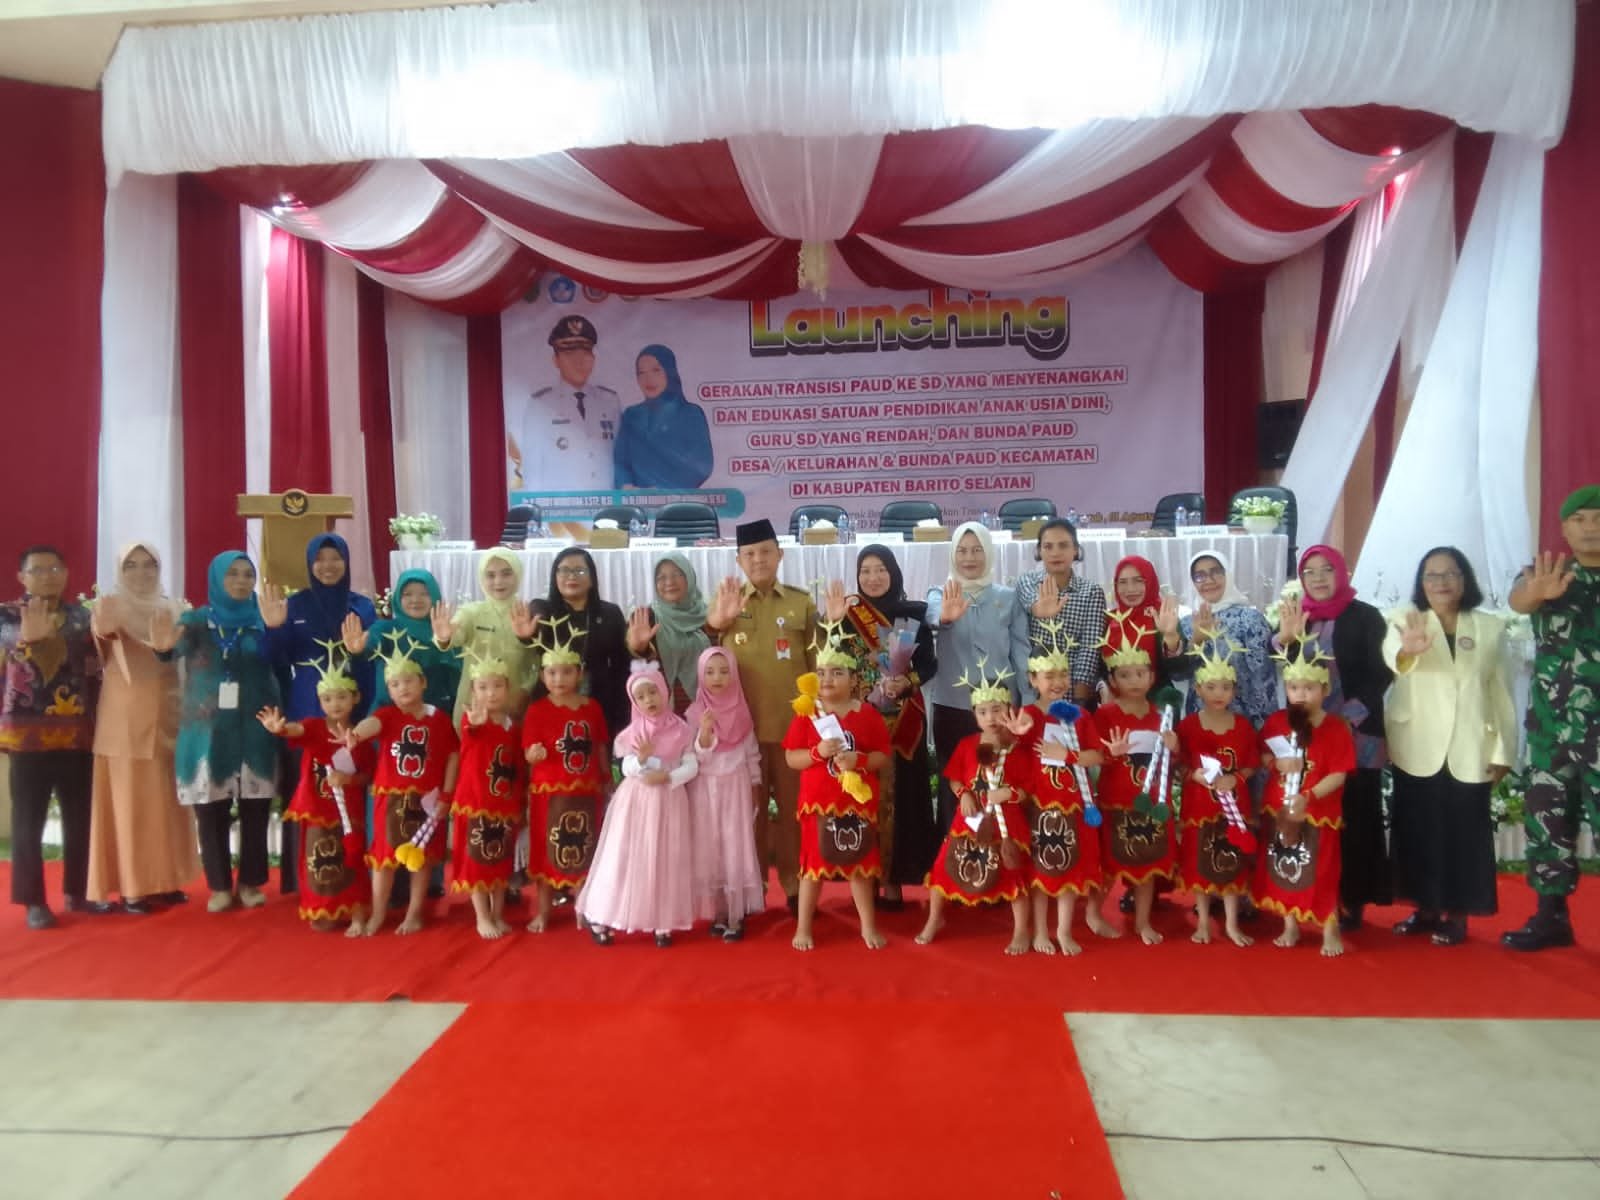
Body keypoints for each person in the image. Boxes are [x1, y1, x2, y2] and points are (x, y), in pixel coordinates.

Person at [706, 517, 840, 914]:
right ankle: (752, 888)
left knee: (796, 813)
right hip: (740, 734)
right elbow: (706, 658)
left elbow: (820, 664)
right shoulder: (728, 602)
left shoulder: (800, 602)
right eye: (749, 554)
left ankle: (796, 887)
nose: (758, 559)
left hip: (791, 732)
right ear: (738, 560)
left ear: (780, 555)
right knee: (749, 815)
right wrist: (716, 623)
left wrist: (833, 624)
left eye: (765, 551)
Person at [1383, 548, 1515, 947]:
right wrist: (1408, 650)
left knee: (1465, 832)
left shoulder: (1489, 627)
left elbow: (1502, 692)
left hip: (1471, 743)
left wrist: (1503, 751)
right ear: (1421, 582)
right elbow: (1394, 660)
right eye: (1432, 575)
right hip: (1416, 743)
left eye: (1450, 574)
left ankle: (1457, 913)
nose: (1441, 582)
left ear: (1464, 579)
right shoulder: (1404, 620)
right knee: (1417, 828)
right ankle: (1424, 909)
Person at [149, 552, 280, 915]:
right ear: (217, 578)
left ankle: (251, 883)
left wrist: (277, 631)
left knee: (256, 808)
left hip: (257, 724)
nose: (241, 581)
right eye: (232, 574)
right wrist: (162, 650)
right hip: (207, 729)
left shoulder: (264, 618)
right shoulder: (196, 621)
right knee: (210, 810)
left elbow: (281, 657)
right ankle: (220, 886)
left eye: (248, 574)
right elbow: (173, 648)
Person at [1275, 544, 1393, 931]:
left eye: (1326, 569)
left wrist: (1347, 718)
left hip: (1357, 732)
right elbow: (1283, 668)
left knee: (1356, 816)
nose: (1319, 577)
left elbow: (1382, 672)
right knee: (1315, 813)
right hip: (1311, 733)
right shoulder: (1299, 616)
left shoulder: (1366, 616)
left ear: (1341, 573)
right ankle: (1309, 892)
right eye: (1310, 571)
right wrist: (1285, 639)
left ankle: (1352, 898)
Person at [1503, 485, 1600, 951]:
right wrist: (1536, 593)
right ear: (1564, 528)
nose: (1590, 527)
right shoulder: (1548, 573)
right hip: (1552, 726)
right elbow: (1518, 600)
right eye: (1579, 519)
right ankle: (1551, 915)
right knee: (1547, 818)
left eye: (1598, 518)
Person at [262, 532, 376, 895]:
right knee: (305, 793)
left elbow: (370, 660)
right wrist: (274, 629)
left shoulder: (362, 606)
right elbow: (275, 659)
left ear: (346, 562)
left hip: (351, 712)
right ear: (310, 564)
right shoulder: (294, 606)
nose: (328, 566)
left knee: (351, 791)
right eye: (320, 559)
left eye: (335, 558)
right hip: (308, 709)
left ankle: (352, 877)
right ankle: (302, 879)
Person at [86, 542, 197, 914]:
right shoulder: (110, 607)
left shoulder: (174, 608)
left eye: (148, 564)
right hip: (125, 720)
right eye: (131, 565)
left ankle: (166, 881)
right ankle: (132, 889)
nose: (141, 572)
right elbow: (103, 643)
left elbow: (185, 656)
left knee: (166, 803)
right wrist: (104, 631)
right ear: (120, 571)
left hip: (169, 714)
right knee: (130, 804)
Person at [1, 545, 101, 929]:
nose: (48, 576)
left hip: (78, 734)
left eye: (55, 569)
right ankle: (33, 901)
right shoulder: (7, 616)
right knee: (29, 821)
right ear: (22, 577)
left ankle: (78, 892)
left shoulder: (82, 618)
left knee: (81, 818)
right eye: (38, 570)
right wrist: (25, 642)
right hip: (27, 738)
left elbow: (98, 668)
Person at [840, 543, 939, 908]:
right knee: (864, 796)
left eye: (880, 569)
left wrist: (906, 681)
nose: (873, 577)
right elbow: (835, 661)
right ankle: (866, 880)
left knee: (904, 799)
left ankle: (896, 882)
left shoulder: (913, 613)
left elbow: (929, 664)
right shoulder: (848, 616)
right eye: (865, 571)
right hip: (863, 719)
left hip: (904, 718)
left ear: (894, 573)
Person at [577, 665, 699, 946]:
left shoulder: (682, 730)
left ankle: (662, 921)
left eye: (653, 692)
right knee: (625, 857)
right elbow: (626, 766)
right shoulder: (632, 732)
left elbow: (692, 764)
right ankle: (602, 916)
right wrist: (641, 760)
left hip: (669, 800)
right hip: (637, 802)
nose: (649, 700)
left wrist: (669, 776)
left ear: (664, 692)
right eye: (641, 696)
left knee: (666, 858)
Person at [917, 663, 1034, 955]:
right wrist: (963, 794)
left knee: (1013, 873)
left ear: (1009, 709)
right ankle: (934, 918)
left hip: (1006, 822)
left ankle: (1021, 929)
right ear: (974, 715)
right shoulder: (967, 744)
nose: (990, 717)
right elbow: (955, 778)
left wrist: (1009, 793)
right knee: (943, 866)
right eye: (983, 712)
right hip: (969, 820)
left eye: (996, 710)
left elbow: (1028, 789)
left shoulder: (1016, 747)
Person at [783, 638, 891, 951]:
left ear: (854, 680)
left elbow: (882, 756)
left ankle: (867, 926)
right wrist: (816, 753)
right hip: (818, 805)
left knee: (860, 866)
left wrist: (860, 760)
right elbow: (791, 758)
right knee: (811, 869)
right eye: (822, 673)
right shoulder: (807, 714)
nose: (828, 679)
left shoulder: (867, 714)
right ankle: (804, 927)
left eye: (837, 673)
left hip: (857, 804)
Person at [924, 521, 1031, 833]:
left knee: (1001, 781)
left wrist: (1027, 701)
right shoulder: (941, 593)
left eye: (976, 550)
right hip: (953, 706)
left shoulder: (1008, 598)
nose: (969, 558)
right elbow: (932, 615)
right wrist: (945, 616)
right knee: (957, 787)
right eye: (961, 551)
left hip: (1000, 710)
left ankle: (1002, 853)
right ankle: (956, 855)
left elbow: (1021, 652)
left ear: (988, 553)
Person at [255, 656, 374, 935]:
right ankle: (326, 908)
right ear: (320, 702)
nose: (335, 704)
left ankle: (357, 913)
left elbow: (368, 775)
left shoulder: (360, 736)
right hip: (317, 812)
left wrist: (348, 779)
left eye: (342, 697)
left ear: (355, 698)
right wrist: (280, 728)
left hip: (349, 814)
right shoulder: (314, 727)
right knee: (318, 862)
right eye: (328, 699)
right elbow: (295, 729)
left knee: (352, 861)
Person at [349, 640, 460, 935]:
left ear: (423, 683)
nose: (403, 688)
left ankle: (414, 912)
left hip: (427, 801)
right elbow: (371, 725)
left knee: (422, 858)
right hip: (391, 800)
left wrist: (447, 794)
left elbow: (453, 755)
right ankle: (378, 913)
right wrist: (356, 735)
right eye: (395, 684)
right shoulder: (387, 715)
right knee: (384, 859)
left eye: (408, 681)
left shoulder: (439, 718)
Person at [1254, 637, 1355, 958]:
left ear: (1325, 690)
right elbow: (1263, 755)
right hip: (1280, 810)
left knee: (1321, 870)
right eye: (1294, 688)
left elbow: (1339, 774)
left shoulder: (1336, 728)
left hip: (1318, 813)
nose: (1301, 694)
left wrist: (1308, 796)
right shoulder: (1276, 722)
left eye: (1309, 688)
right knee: (1284, 868)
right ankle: (1290, 924)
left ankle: (1330, 927)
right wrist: (1276, 763)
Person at [1016, 623, 1113, 955]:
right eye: (1049, 676)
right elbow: (1012, 755)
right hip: (1040, 806)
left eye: (1063, 674)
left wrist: (1067, 755)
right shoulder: (1028, 715)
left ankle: (1064, 930)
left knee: (1070, 867)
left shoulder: (1080, 716)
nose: (1057, 682)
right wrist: (1015, 734)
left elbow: (1096, 755)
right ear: (1033, 680)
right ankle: (1041, 931)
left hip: (1074, 805)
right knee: (1041, 869)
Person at [1095, 614, 1181, 945]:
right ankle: (1094, 913)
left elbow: (1173, 764)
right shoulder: (1105, 715)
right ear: (1113, 679)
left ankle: (1143, 921)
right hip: (1115, 802)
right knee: (1109, 863)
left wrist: (1174, 748)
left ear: (1152, 677)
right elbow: (1094, 756)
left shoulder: (1162, 716)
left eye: (1140, 673)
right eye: (1125, 675)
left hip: (1152, 804)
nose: (1133, 680)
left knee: (1148, 865)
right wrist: (1110, 752)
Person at [521, 618, 610, 932]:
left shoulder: (592, 708)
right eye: (552, 673)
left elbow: (600, 746)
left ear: (579, 673)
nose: (559, 679)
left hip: (586, 791)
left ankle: (585, 908)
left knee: (586, 847)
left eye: (567, 672)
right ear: (542, 676)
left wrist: (606, 780)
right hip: (549, 794)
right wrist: (534, 754)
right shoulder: (536, 710)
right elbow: (528, 751)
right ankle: (544, 911)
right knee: (547, 850)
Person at [1176, 643, 1260, 947]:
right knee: (1200, 862)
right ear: (1198, 690)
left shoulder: (1243, 727)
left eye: (1225, 687)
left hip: (1233, 810)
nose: (1218, 693)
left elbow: (1251, 765)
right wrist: (1194, 775)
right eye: (1211, 687)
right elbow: (1180, 765)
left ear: (1234, 691)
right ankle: (1202, 922)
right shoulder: (1187, 726)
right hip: (1199, 809)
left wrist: (1235, 778)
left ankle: (1232, 923)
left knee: (1232, 862)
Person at [684, 647, 765, 941]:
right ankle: (718, 912)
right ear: (700, 675)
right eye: (709, 672)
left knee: (734, 845)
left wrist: (755, 787)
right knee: (710, 847)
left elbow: (752, 754)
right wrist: (705, 732)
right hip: (705, 788)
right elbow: (694, 756)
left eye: (723, 671)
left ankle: (735, 914)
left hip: (736, 788)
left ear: (734, 675)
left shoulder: (741, 711)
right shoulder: (695, 713)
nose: (717, 678)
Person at [450, 653, 526, 940]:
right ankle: (482, 916)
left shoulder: (512, 726)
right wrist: (475, 723)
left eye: (497, 686)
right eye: (483, 687)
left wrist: (520, 803)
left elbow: (517, 768)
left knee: (500, 861)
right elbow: (470, 733)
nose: (491, 693)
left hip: (504, 805)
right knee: (476, 861)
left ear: (507, 688)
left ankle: (497, 914)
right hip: (475, 804)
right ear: (473, 690)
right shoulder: (471, 720)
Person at [508, 314, 621, 492]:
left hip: (605, 502)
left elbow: (619, 458)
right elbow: (533, 468)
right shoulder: (540, 405)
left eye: (585, 353)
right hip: (561, 506)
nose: (579, 361)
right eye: (569, 354)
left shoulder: (610, 401)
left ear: (593, 358)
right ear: (556, 360)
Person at [1170, 549, 1279, 726]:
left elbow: (1263, 679)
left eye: (1216, 572)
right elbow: (1178, 675)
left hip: (1244, 723)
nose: (1209, 580)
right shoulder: (1188, 622)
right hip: (1201, 723)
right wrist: (1196, 640)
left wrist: (1263, 727)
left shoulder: (1250, 619)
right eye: (1200, 576)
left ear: (1227, 574)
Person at [432, 548, 541, 721]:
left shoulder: (528, 613)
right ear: (481, 579)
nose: (498, 581)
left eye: (506, 573)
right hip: (475, 705)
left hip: (515, 704)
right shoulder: (470, 612)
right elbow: (456, 636)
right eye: (490, 575)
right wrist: (444, 637)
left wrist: (525, 691)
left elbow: (538, 661)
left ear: (518, 574)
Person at [532, 547, 630, 739]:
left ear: (592, 578)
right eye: (564, 570)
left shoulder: (610, 613)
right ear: (554, 577)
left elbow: (622, 666)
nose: (572, 576)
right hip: (553, 703)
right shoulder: (543, 610)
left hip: (601, 702)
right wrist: (525, 636)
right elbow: (532, 639)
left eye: (580, 570)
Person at [1015, 519, 1108, 707]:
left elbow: (1089, 648)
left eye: (1063, 545)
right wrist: (1039, 609)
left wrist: (1078, 702)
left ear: (1076, 550)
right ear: (1039, 551)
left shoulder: (1091, 592)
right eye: (1048, 546)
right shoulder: (1027, 582)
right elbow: (1032, 604)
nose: (1055, 553)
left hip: (1073, 693)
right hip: (1034, 694)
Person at [344, 568, 461, 712]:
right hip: (389, 713)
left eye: (424, 594)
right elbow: (371, 646)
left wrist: (444, 641)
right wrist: (359, 650)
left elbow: (457, 672)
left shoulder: (445, 629)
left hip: (436, 714)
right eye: (407, 594)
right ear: (398, 598)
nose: (415, 600)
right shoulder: (385, 628)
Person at [613, 344, 714, 489]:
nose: (648, 379)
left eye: (656, 370)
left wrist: (663, 490)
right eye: (641, 373)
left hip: (678, 499)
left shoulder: (690, 414)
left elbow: (702, 465)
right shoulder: (631, 415)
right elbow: (620, 461)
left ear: (669, 372)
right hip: (636, 499)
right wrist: (627, 486)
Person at [625, 552, 711, 714]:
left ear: (689, 576)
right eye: (661, 577)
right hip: (661, 712)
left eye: (677, 574)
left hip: (707, 710)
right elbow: (633, 671)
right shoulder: (645, 618)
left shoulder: (709, 615)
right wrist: (639, 648)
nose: (669, 582)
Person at [1105, 555, 1184, 703]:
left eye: (1138, 581)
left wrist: (1170, 637)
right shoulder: (1109, 619)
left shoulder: (1163, 616)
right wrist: (1103, 688)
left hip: (1157, 702)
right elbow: (1099, 668)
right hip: (1115, 703)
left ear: (1150, 582)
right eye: (1123, 582)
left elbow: (1179, 672)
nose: (1130, 589)